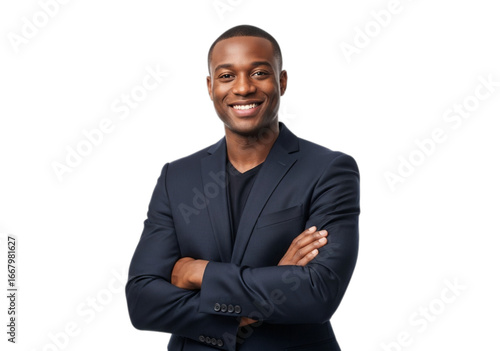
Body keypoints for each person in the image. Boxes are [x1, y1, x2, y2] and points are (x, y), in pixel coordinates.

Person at [126, 24, 360, 351]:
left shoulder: (328, 170)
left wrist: (199, 273)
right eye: (226, 76)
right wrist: (262, 296)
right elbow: (142, 301)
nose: (243, 88)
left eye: (260, 72)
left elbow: (318, 293)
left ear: (282, 81)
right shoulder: (176, 177)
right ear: (210, 87)